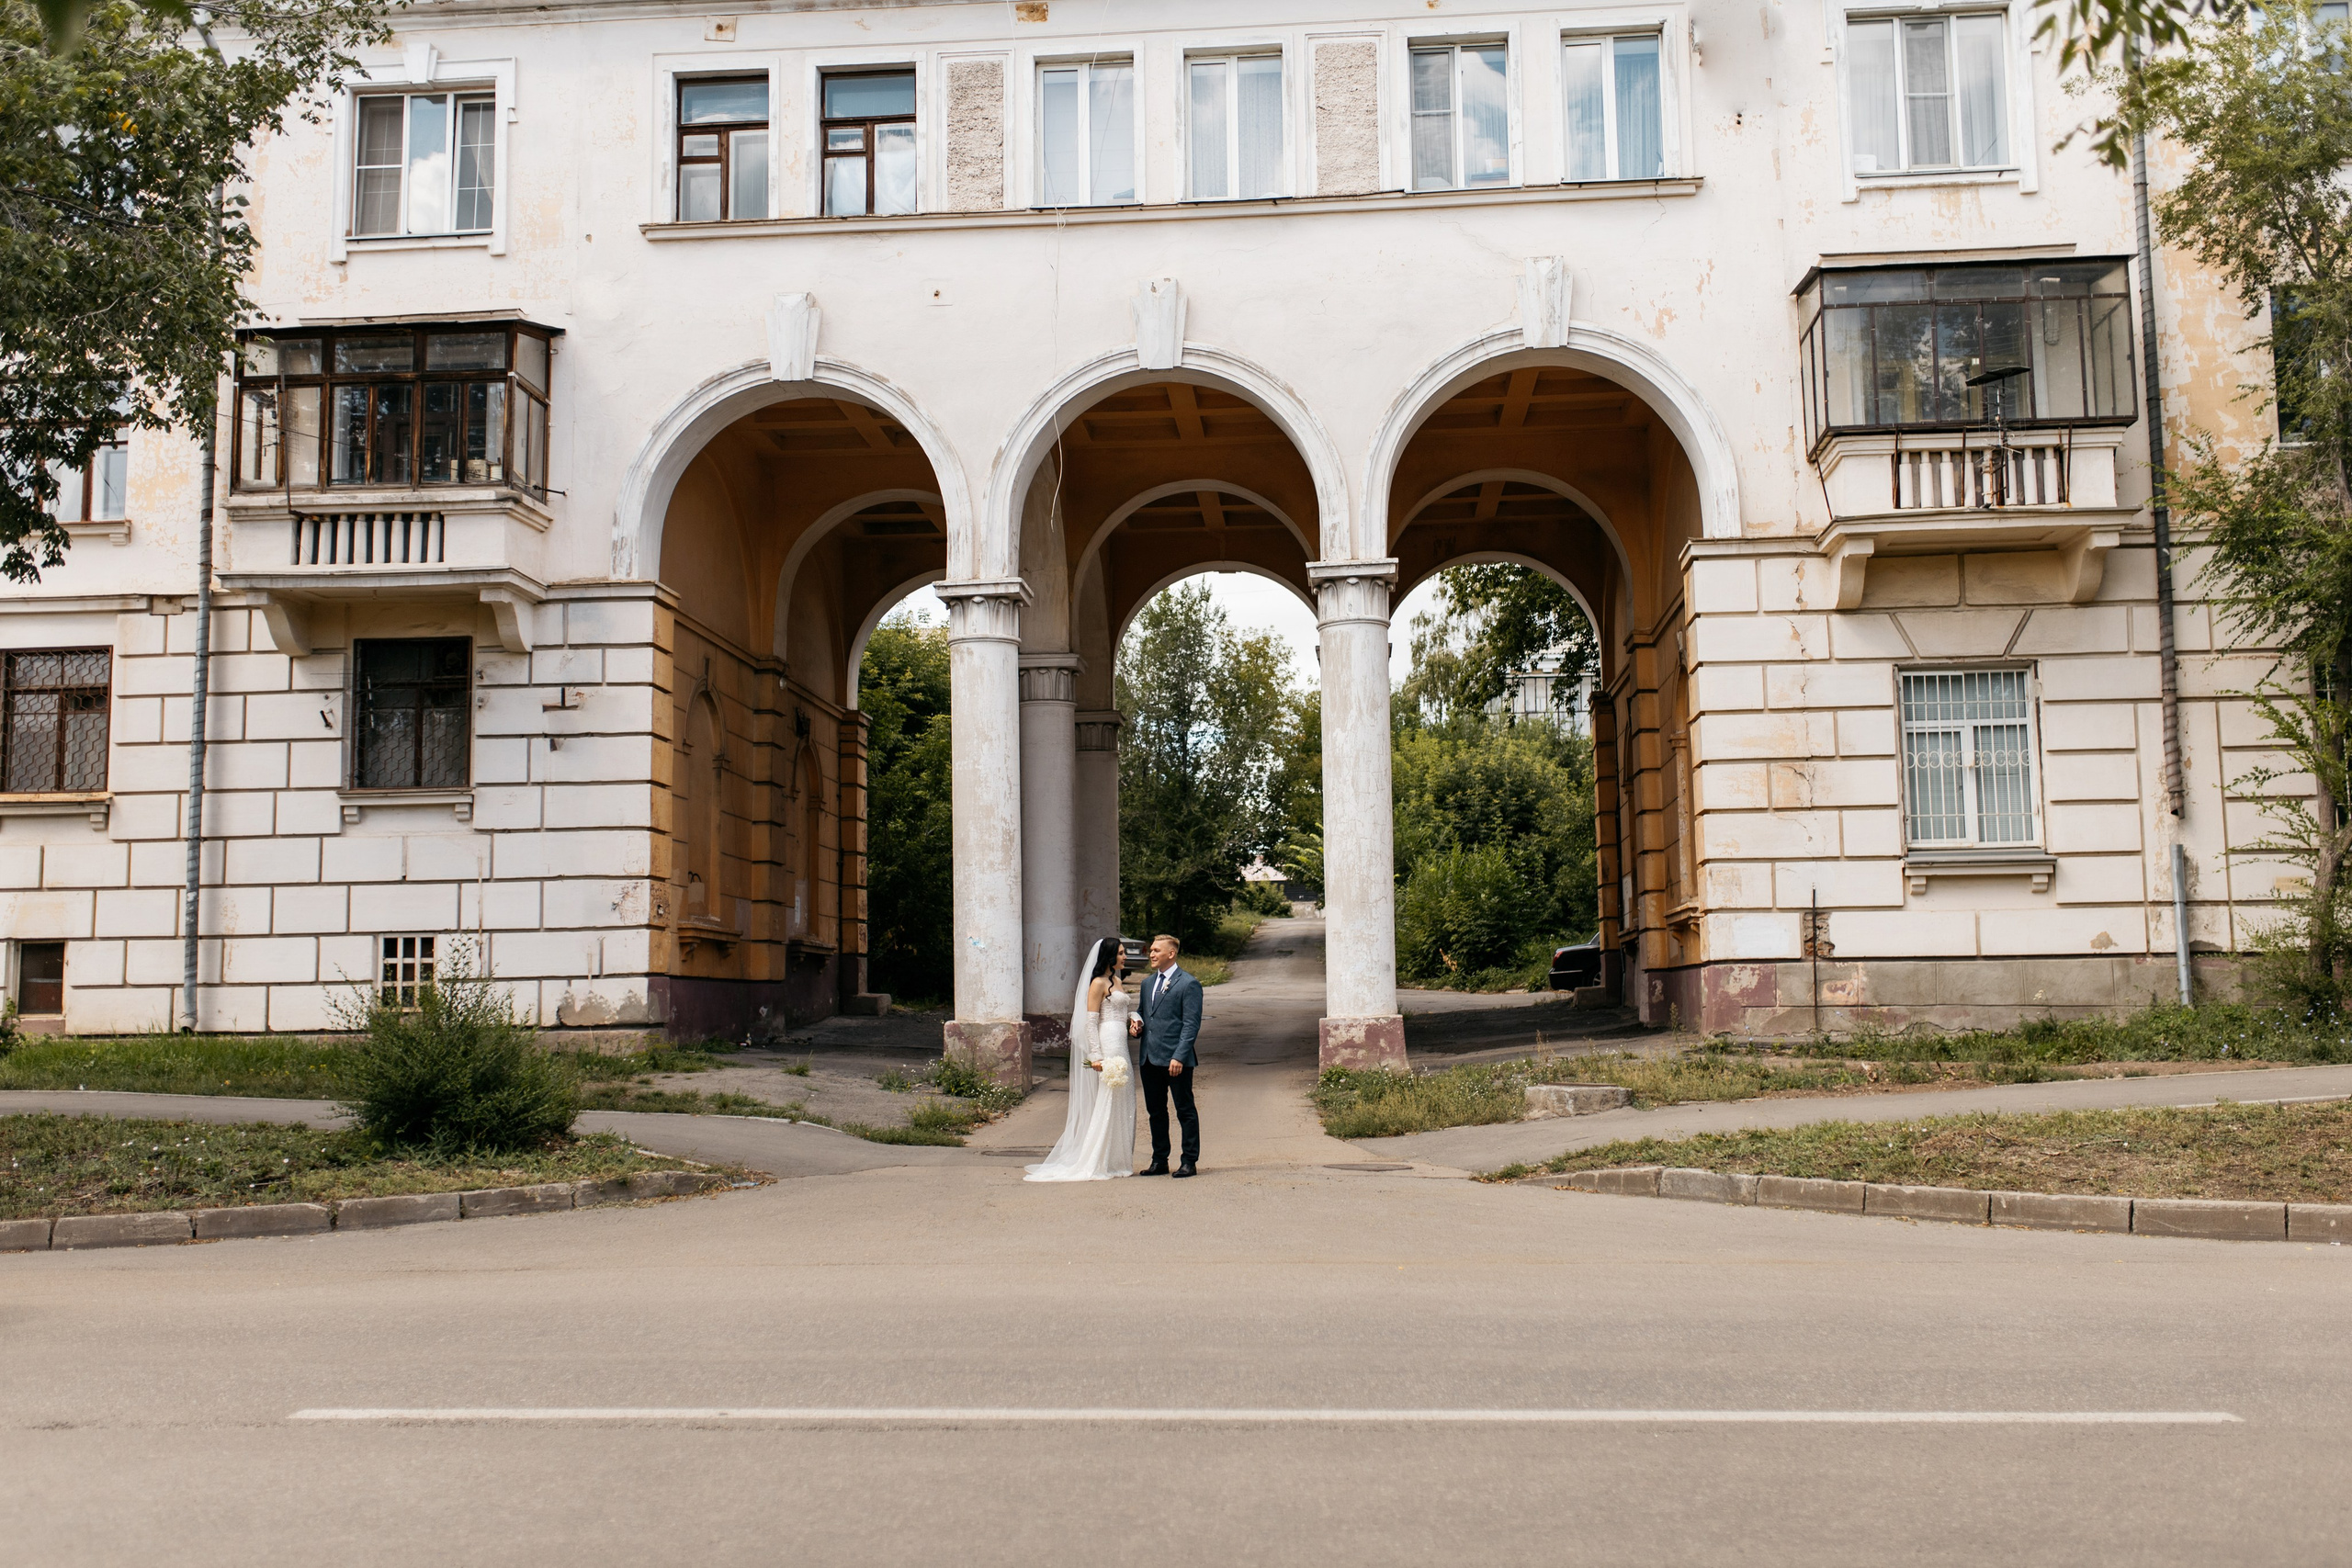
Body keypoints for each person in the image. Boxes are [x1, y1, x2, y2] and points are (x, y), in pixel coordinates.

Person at [1023, 938, 1137, 1182]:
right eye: (1120, 953)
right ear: (1109, 957)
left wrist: (1134, 1019)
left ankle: (1118, 1160)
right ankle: (1098, 1160)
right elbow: (1090, 1022)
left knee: (1124, 1097)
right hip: (1108, 1042)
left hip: (1121, 1042)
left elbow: (1120, 1012)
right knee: (1109, 1097)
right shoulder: (1097, 983)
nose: (1125, 957)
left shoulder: (1117, 980)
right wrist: (1096, 1055)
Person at [1129, 932, 1201, 1178]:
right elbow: (1143, 1013)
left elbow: (1191, 1024)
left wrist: (1179, 1056)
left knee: (1185, 1110)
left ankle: (1189, 1161)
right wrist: (1136, 1026)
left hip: (1176, 1060)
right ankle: (1159, 1160)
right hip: (1149, 1058)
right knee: (1156, 1112)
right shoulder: (1147, 983)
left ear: (1171, 954)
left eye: (1156, 950)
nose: (1151, 954)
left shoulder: (1188, 983)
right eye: (1151, 950)